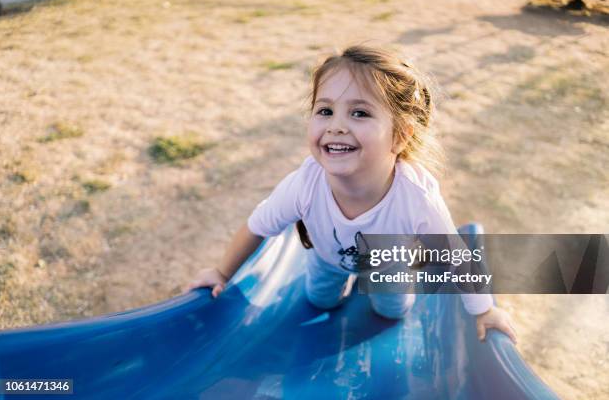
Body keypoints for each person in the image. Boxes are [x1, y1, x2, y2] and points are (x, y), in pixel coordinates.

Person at [188, 44, 517, 343]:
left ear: (400, 136)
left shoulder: (416, 197)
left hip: (389, 265)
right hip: (327, 258)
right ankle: (338, 290)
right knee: (320, 301)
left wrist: (484, 310)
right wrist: (221, 273)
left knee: (392, 312)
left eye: (359, 113)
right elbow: (256, 226)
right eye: (325, 111)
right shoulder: (304, 184)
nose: (336, 126)